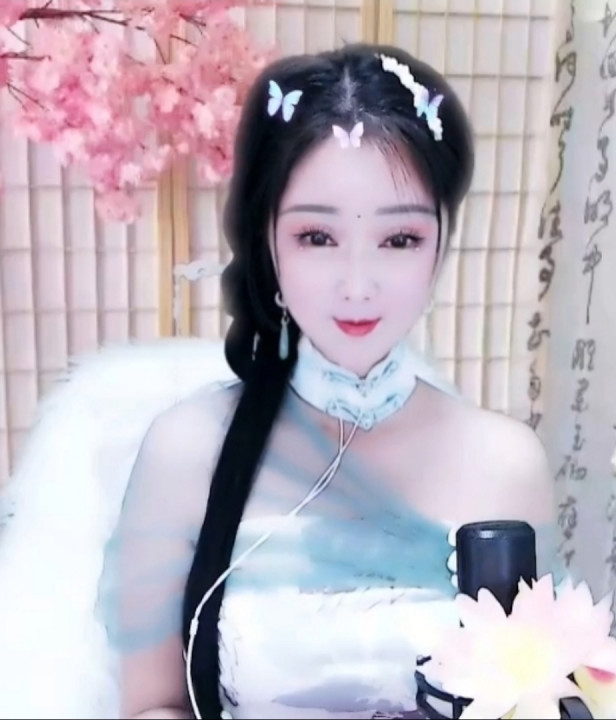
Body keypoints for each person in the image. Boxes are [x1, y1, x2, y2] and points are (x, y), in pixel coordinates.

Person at [96, 42, 558, 720]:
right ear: (268, 241)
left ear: (440, 243)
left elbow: (534, 694)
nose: (357, 285)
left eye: (399, 239)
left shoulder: (505, 461)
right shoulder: (188, 449)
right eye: (317, 237)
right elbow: (152, 705)